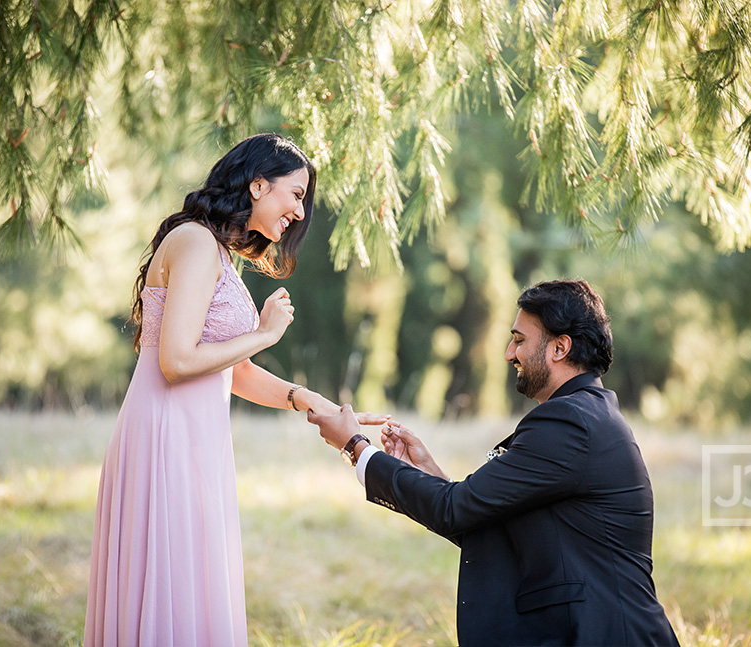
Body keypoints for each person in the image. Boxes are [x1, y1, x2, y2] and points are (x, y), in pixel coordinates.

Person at [84, 133, 384, 647]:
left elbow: (234, 371)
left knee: (188, 592)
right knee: (168, 593)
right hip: (165, 438)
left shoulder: (217, 251)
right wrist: (265, 334)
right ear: (257, 184)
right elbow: (176, 362)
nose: (299, 209)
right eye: (295, 193)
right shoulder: (196, 243)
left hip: (195, 442)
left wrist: (307, 398)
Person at [308, 279, 681, 647]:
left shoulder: (570, 422)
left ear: (559, 347)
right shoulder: (585, 415)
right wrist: (429, 474)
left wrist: (355, 445)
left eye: (519, 339)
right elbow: (485, 518)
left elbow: (455, 509)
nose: (508, 353)